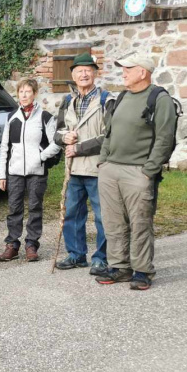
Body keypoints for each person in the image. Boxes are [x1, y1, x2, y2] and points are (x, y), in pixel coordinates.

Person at [96, 55, 177, 291]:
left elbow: (165, 139)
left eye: (128, 68)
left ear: (143, 72)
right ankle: (119, 267)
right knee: (113, 222)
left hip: (138, 172)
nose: (123, 72)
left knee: (140, 223)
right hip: (111, 170)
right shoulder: (122, 97)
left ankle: (142, 271)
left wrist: (148, 171)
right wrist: (103, 162)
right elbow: (109, 132)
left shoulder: (159, 99)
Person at [54, 53, 113, 276]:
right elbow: (57, 132)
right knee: (72, 214)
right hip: (73, 170)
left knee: (102, 216)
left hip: (98, 168)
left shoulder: (106, 100)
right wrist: (64, 137)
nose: (84, 74)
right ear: (73, 75)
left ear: (95, 73)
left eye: (88, 70)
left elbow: (110, 136)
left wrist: (79, 147)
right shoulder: (68, 101)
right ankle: (76, 255)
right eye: (79, 71)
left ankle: (101, 258)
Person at [0, 78, 61, 262]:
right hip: (15, 171)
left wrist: (40, 157)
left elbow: (56, 143)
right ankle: (12, 245)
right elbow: (5, 148)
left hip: (37, 172)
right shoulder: (12, 117)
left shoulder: (45, 117)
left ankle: (31, 244)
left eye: (28, 92)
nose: (24, 95)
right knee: (14, 208)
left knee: (35, 207)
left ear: (35, 94)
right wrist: (2, 175)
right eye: (21, 92)